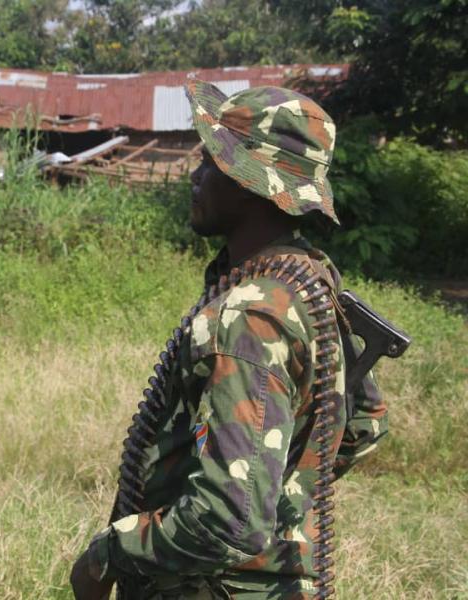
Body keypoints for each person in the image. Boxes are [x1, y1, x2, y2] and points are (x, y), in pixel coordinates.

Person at [70, 80, 388, 600]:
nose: (195, 177)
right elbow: (364, 423)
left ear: (248, 183)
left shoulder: (250, 316)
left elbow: (227, 522)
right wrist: (281, 495)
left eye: (209, 161)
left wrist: (106, 555)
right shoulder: (308, 283)